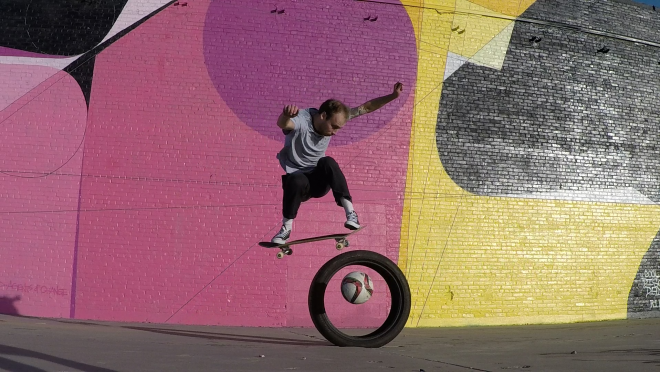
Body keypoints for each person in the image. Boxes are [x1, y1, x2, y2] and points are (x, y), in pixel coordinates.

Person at [271, 82, 404, 244]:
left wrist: (393, 96)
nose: (334, 132)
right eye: (333, 127)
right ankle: (286, 229)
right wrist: (286, 115)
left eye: (338, 128)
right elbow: (283, 124)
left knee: (328, 162)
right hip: (299, 186)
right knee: (295, 178)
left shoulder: (335, 119)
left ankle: (351, 214)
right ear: (323, 115)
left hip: (319, 182)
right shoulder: (302, 120)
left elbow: (366, 108)